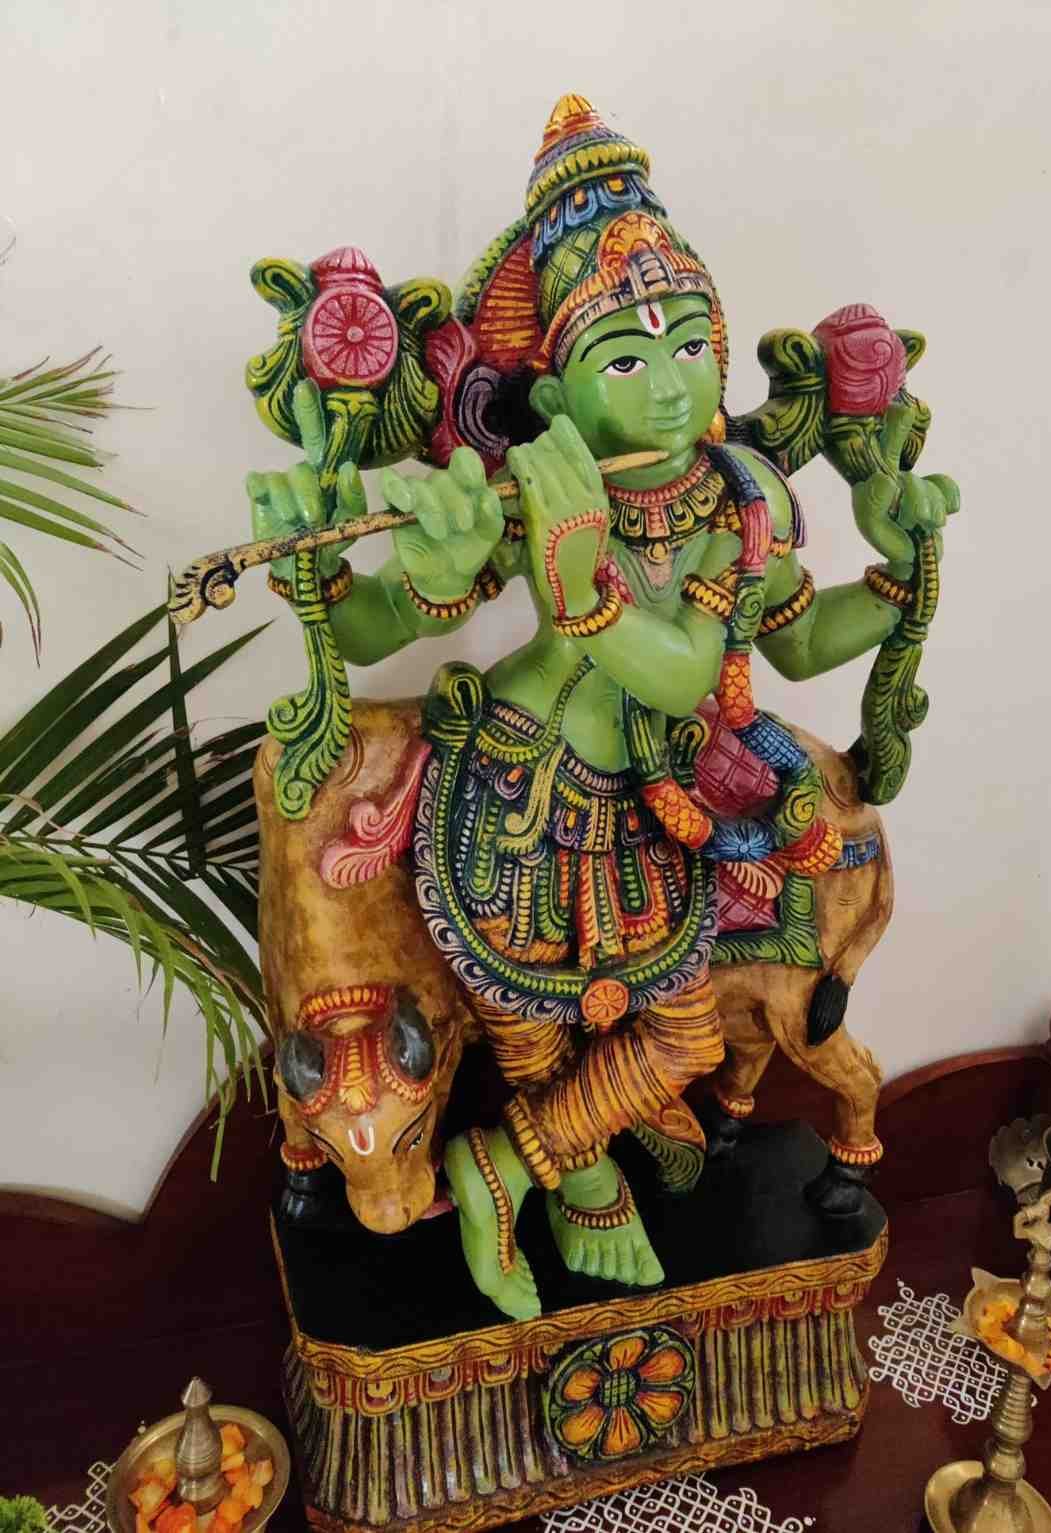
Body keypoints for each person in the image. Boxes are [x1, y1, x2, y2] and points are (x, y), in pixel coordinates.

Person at [248, 96, 955, 1319]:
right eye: (623, 359)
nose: (669, 387)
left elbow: (776, 643)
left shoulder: (739, 498)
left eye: (687, 344)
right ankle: (576, 1185)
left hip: (662, 801)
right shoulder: (539, 487)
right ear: (560, 395)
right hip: (519, 791)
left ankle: (504, 1168)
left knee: (682, 1036)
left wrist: (898, 574)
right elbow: (372, 637)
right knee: (529, 1029)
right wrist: (396, 570)